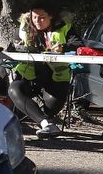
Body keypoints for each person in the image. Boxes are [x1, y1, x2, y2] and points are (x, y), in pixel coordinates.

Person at [10, 7, 74, 138]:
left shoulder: (64, 27)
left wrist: (64, 47)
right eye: (34, 18)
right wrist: (17, 46)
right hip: (29, 76)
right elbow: (11, 48)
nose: (37, 21)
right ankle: (47, 125)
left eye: (42, 17)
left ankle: (46, 123)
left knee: (51, 108)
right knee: (14, 90)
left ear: (51, 16)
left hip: (56, 78)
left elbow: (79, 44)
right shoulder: (24, 28)